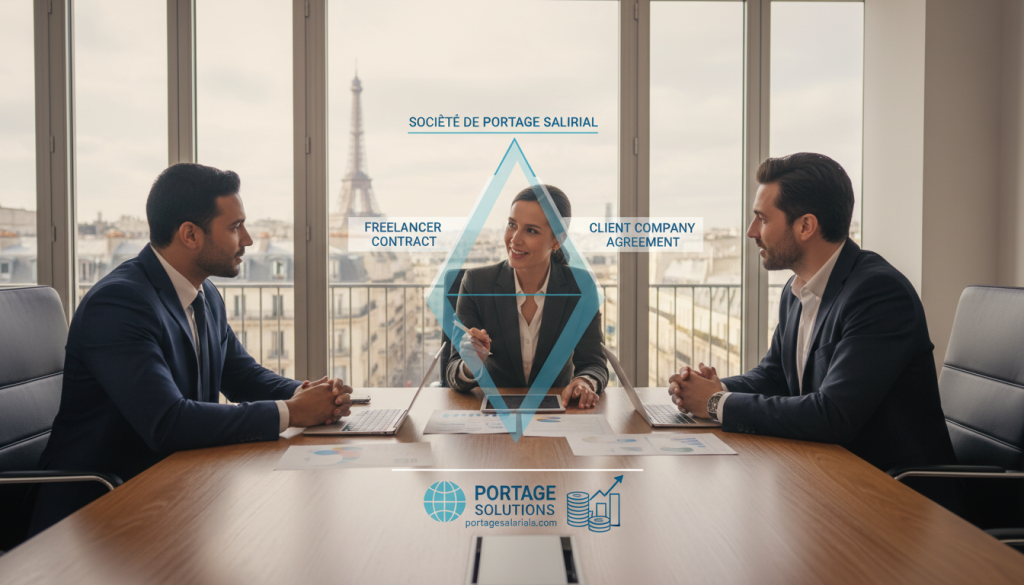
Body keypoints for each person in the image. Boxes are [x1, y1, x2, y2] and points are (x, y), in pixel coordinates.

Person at [30, 163, 352, 534]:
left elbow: (242, 376)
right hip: (99, 512)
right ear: (190, 235)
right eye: (235, 227)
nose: (247, 240)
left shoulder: (204, 294)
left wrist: (311, 394)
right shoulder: (119, 303)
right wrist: (292, 412)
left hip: (176, 488)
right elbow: (167, 422)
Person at [669, 153, 957, 474]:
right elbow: (775, 376)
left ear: (805, 226)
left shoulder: (878, 293)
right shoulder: (797, 289)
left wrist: (715, 403)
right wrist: (713, 388)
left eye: (762, 219)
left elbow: (833, 414)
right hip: (826, 471)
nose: (751, 232)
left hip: (893, 487)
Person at [445, 185, 609, 408]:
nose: (515, 239)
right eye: (512, 225)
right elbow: (453, 370)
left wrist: (584, 382)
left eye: (531, 230)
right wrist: (470, 364)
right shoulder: (476, 283)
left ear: (557, 240)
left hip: (558, 412)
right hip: (493, 414)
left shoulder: (580, 286)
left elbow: (593, 362)